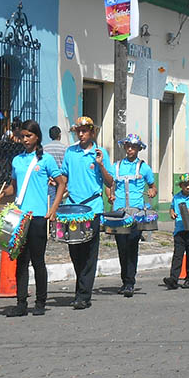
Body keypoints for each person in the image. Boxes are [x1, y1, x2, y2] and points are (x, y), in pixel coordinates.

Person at [0, 119, 64, 317]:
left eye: (29, 136)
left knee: (38, 261)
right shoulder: (17, 160)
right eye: (23, 136)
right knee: (20, 261)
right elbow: (14, 187)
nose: (25, 140)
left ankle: (41, 301)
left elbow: (61, 184)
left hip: (38, 217)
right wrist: (1, 194)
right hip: (20, 217)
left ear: (37, 137)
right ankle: (21, 303)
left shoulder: (46, 160)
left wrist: (53, 209)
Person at [60, 116, 114, 309]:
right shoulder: (70, 152)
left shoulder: (100, 153)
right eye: (78, 131)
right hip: (72, 208)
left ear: (92, 132)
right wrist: (56, 183)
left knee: (90, 253)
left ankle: (83, 295)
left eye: (84, 131)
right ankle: (80, 288)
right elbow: (64, 176)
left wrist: (100, 164)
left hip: (93, 210)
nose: (81, 134)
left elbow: (109, 182)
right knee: (75, 251)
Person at [108, 133, 155, 297]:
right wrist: (110, 194)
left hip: (136, 213)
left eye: (133, 146)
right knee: (121, 247)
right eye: (128, 146)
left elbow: (152, 186)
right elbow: (109, 184)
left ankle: (130, 282)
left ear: (138, 149)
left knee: (132, 245)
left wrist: (151, 191)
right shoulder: (116, 166)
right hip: (119, 213)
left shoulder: (144, 167)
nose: (130, 149)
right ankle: (124, 280)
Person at [164, 173, 189, 290]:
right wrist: (172, 213)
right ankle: (173, 278)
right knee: (178, 255)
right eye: (185, 185)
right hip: (179, 229)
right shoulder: (177, 197)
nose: (188, 187)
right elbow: (172, 207)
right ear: (181, 186)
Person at [44, 125, 66, 210]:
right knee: (59, 202)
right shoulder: (64, 148)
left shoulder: (45, 148)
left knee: (50, 201)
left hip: (49, 179)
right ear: (59, 135)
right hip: (61, 178)